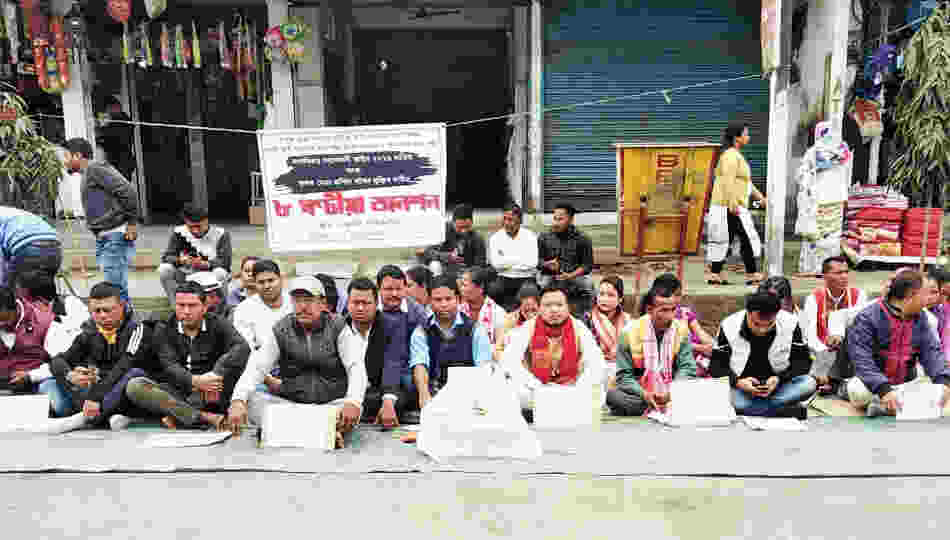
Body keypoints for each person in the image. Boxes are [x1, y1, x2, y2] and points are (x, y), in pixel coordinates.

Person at [227, 277, 367, 447]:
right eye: (297, 301)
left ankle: (288, 431)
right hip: (291, 405)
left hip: (331, 405)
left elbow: (356, 367)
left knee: (356, 406)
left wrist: (352, 402)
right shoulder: (282, 329)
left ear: (322, 303)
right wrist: (238, 400)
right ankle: (325, 432)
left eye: (308, 300)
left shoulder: (338, 326)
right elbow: (257, 367)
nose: (302, 306)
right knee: (251, 401)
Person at [125, 281, 250, 430]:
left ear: (204, 307)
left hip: (213, 391)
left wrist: (216, 373)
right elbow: (169, 364)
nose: (186, 311)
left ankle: (180, 417)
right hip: (179, 392)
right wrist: (194, 381)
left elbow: (242, 347)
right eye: (181, 305)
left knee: (235, 369)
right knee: (135, 386)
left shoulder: (218, 324)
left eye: (192, 305)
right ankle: (204, 417)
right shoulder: (164, 328)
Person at [46, 282, 154, 433]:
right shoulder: (90, 331)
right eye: (97, 311)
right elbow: (58, 360)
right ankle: (107, 416)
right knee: (58, 376)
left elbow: (125, 365)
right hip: (101, 393)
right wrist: (71, 375)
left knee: (134, 374)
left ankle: (85, 418)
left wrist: (95, 398)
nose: (102, 316)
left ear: (122, 306)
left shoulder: (138, 327)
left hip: (127, 391)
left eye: (108, 310)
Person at [839, 270, 950, 416]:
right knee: (859, 392)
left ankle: (883, 408)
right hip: (874, 385)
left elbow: (932, 352)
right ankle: (888, 404)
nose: (927, 300)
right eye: (924, 295)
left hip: (905, 385)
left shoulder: (921, 318)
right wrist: (884, 389)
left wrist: (943, 382)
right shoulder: (868, 317)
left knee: (938, 389)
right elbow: (861, 360)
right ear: (911, 296)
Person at [501, 284, 605, 415]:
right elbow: (510, 361)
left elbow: (596, 362)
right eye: (548, 305)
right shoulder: (528, 328)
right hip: (536, 390)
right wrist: (535, 385)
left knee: (597, 391)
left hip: (572, 389)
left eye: (559, 305)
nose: (554, 310)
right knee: (511, 389)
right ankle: (556, 409)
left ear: (568, 307)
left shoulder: (579, 328)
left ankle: (550, 409)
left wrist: (580, 387)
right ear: (539, 308)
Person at [708, 292, 815, 418]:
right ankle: (781, 410)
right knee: (727, 396)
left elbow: (803, 363)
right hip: (741, 388)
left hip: (777, 388)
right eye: (756, 324)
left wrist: (779, 379)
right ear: (747, 313)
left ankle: (755, 409)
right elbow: (716, 368)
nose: (762, 330)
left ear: (777, 315)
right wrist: (738, 382)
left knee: (808, 383)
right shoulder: (729, 325)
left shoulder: (791, 323)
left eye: (769, 325)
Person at [64, 137, 138, 303]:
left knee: (115, 290)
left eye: (66, 156)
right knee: (114, 288)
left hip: (114, 235)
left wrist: (132, 222)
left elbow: (128, 191)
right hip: (105, 236)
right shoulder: (89, 173)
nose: (64, 161)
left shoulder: (95, 168)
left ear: (77, 155)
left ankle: (126, 323)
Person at [606, 284, 695, 416]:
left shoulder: (682, 331)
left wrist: (671, 393)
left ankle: (658, 406)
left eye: (673, 310)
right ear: (649, 309)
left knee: (696, 390)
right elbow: (624, 376)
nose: (670, 316)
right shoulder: (629, 333)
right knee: (613, 396)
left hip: (672, 392)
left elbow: (687, 368)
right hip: (640, 393)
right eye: (664, 310)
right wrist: (645, 394)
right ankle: (659, 406)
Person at [408, 275, 492, 411]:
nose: (443, 304)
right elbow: (420, 364)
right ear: (429, 301)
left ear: (458, 300)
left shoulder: (476, 330)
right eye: (438, 300)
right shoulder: (421, 331)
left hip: (467, 395)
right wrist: (424, 396)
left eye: (448, 299)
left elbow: (483, 369)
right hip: (433, 393)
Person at [705, 122, 766, 286]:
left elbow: (746, 183)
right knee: (745, 237)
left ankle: (715, 273)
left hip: (732, 206)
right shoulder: (731, 156)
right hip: (729, 206)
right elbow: (728, 181)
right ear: (736, 138)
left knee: (727, 239)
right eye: (746, 134)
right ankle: (751, 273)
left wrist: (760, 197)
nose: (748, 137)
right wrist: (732, 203)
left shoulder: (735, 155)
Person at [0, 284, 66, 415]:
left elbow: (64, 362)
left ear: (15, 309)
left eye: (4, 319)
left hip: (37, 382)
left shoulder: (46, 323)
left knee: (58, 405)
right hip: (3, 384)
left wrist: (31, 376)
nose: (0, 324)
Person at [158, 203, 232, 305]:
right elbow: (167, 257)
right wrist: (181, 260)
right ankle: (176, 306)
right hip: (185, 273)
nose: (195, 231)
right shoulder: (179, 232)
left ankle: (221, 308)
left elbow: (225, 262)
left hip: (210, 274)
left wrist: (204, 264)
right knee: (164, 269)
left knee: (221, 273)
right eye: (191, 227)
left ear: (206, 221)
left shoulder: (221, 234)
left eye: (198, 226)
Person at [652, 273, 716, 377]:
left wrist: (713, 346)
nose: (678, 299)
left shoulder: (684, 312)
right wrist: (701, 348)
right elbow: (669, 344)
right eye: (674, 295)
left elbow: (701, 333)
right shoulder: (656, 316)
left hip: (697, 353)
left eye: (679, 295)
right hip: (676, 358)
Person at [800, 256, 867, 355]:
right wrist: (825, 353)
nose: (844, 276)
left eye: (846, 272)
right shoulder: (813, 299)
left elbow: (861, 331)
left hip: (851, 354)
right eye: (838, 273)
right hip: (821, 353)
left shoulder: (859, 295)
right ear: (825, 276)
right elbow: (810, 335)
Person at [537, 202, 595, 314]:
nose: (556, 223)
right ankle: (541, 314)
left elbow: (587, 265)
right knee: (539, 284)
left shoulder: (583, 239)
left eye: (560, 219)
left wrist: (570, 275)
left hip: (574, 276)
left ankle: (589, 315)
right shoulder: (544, 237)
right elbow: (537, 261)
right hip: (550, 276)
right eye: (554, 218)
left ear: (571, 219)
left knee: (588, 284)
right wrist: (547, 264)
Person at [582, 276, 633, 386]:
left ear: (620, 299)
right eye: (601, 294)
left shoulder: (628, 320)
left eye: (610, 295)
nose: (604, 299)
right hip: (594, 370)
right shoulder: (587, 320)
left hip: (622, 371)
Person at [232, 260, 293, 351]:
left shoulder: (294, 302)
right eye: (261, 282)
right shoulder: (244, 310)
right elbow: (246, 347)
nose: (267, 286)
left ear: (280, 279)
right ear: (255, 283)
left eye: (271, 280)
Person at [0, 206, 62, 294]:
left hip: (29, 247)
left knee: (9, 293)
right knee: (44, 294)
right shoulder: (9, 213)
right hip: (55, 247)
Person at [488, 202, 538, 308]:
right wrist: (519, 259)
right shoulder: (495, 238)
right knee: (493, 290)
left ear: (519, 220)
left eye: (510, 219)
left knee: (530, 292)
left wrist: (506, 261)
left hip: (526, 277)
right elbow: (496, 265)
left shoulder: (530, 237)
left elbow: (532, 263)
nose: (506, 223)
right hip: (504, 277)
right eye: (504, 219)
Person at [422, 203, 488, 278]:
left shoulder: (477, 238)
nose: (464, 231)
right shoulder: (442, 231)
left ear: (472, 223)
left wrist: (469, 271)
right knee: (435, 265)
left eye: (467, 227)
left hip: (467, 274)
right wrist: (447, 256)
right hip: (444, 268)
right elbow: (427, 252)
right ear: (453, 222)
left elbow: (481, 263)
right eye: (460, 227)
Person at [460, 266, 506, 347]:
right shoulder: (458, 311)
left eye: (464, 285)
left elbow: (500, 347)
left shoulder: (498, 313)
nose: (461, 289)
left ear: (480, 287)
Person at [495, 283, 541, 362]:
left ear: (539, 305)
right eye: (526, 310)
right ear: (520, 306)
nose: (530, 314)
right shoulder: (508, 320)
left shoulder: (546, 319)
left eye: (533, 310)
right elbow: (497, 349)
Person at [96, 95, 136, 183]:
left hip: (120, 163)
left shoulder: (121, 121)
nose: (106, 113)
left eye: (107, 110)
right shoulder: (121, 120)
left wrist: (102, 130)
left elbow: (109, 139)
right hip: (122, 163)